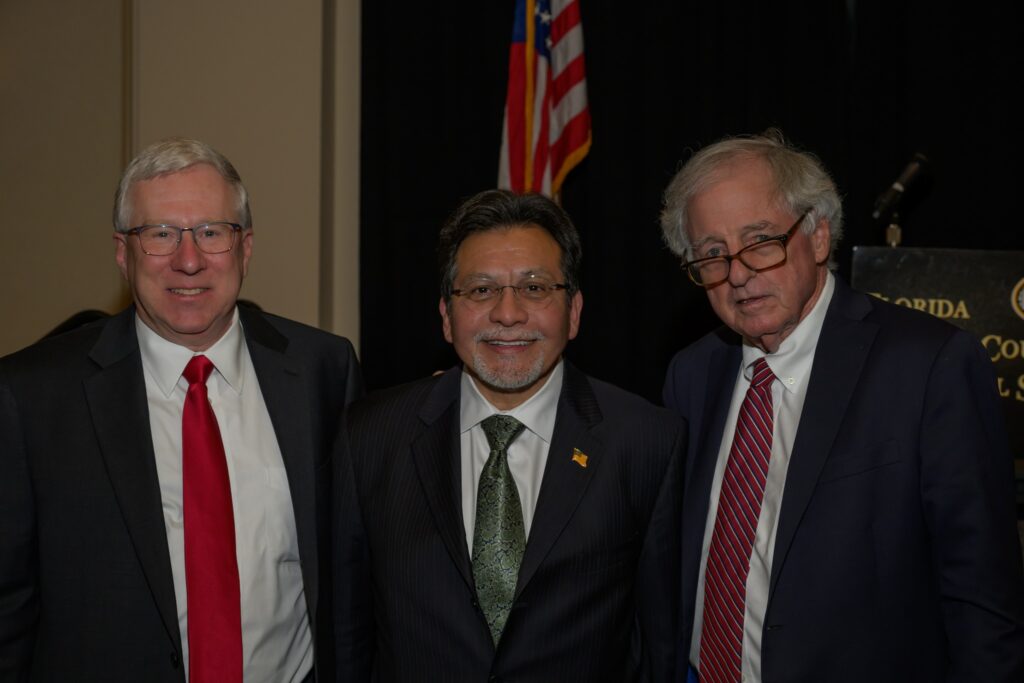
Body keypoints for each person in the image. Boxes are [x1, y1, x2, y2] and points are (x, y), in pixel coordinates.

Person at [660, 129, 1024, 682]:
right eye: (712, 254)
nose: (738, 274)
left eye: (760, 241)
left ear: (819, 235)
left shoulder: (930, 366)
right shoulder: (692, 374)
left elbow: (983, 601)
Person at [0, 137, 362, 682]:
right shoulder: (32, 397)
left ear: (246, 249)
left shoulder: (323, 371)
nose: (187, 260)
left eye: (212, 233)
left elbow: (353, 575)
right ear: (123, 253)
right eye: (160, 234)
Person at [334, 189, 686, 681]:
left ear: (575, 311)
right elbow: (347, 638)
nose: (507, 314)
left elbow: (659, 647)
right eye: (480, 290)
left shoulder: (647, 440)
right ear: (445, 316)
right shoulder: (369, 436)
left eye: (535, 288)